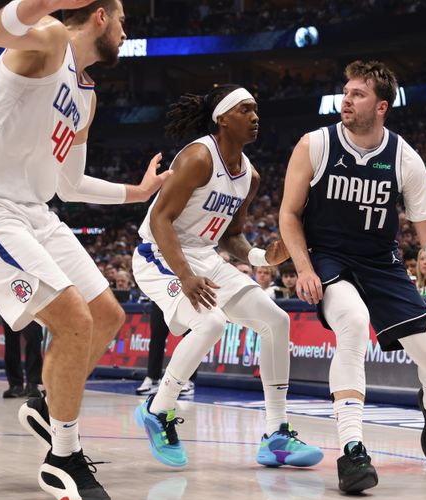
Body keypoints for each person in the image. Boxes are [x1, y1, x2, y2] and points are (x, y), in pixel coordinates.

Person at [0, 0, 170, 500]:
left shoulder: (86, 95)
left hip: (36, 211)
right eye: (124, 18)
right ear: (100, 17)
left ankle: (49, 405)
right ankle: (62, 456)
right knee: (71, 319)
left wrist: (136, 192)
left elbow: (67, 183)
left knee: (105, 315)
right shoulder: (48, 38)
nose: (128, 29)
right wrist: (45, 1)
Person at [279, 60, 426, 493]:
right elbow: (289, 215)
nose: (346, 100)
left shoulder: (404, 158)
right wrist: (304, 268)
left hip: (382, 263)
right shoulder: (315, 144)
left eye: (358, 94)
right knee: (351, 321)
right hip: (329, 257)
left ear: (382, 106)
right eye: (345, 92)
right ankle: (352, 451)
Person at [132, 86, 323, 470]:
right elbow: (160, 219)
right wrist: (185, 275)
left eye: (256, 110)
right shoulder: (199, 156)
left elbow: (231, 236)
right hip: (158, 254)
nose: (255, 117)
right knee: (212, 322)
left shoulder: (250, 176)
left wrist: (262, 257)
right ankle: (158, 408)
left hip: (205, 255)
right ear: (223, 118)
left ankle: (276, 435)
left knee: (275, 321)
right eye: (245, 110)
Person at [2, 319, 44, 398]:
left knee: (33, 333)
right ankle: (15, 385)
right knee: (10, 338)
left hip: (30, 307)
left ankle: (32, 384)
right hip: (9, 307)